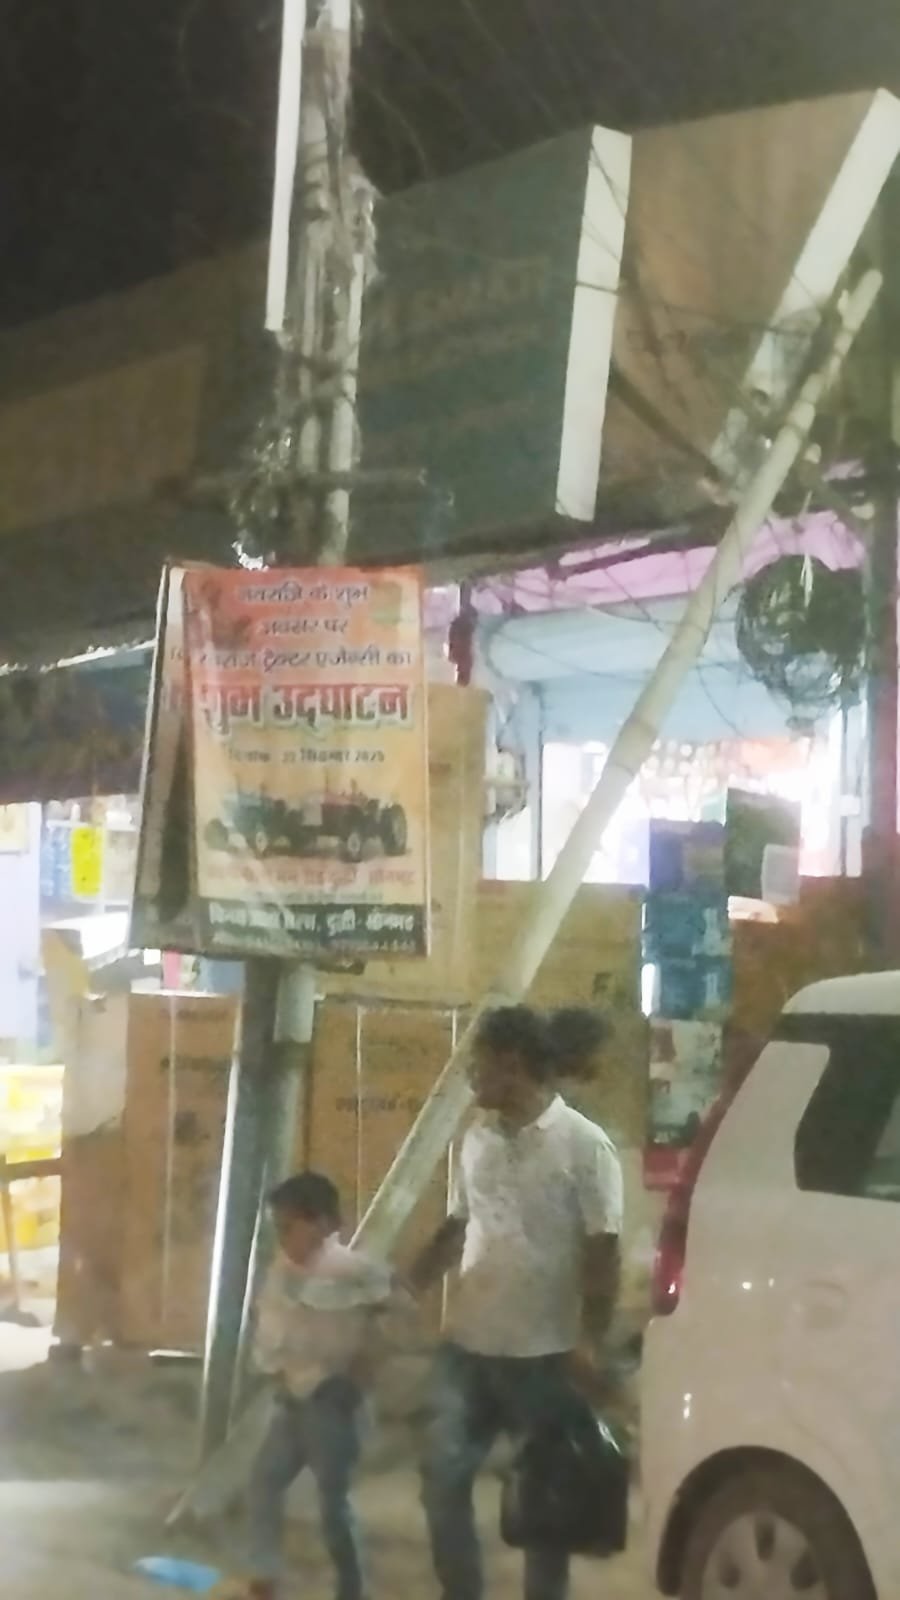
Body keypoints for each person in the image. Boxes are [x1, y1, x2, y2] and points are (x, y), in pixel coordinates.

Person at [410, 1005, 623, 1600]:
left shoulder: (584, 1145)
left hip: (545, 1354)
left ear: (511, 1063)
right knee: (441, 1478)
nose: (471, 1076)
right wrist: (408, 1286)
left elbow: (603, 1249)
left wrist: (590, 1339)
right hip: (470, 1345)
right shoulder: (476, 1140)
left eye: (478, 1063)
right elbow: (459, 1224)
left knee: (544, 1501)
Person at [243, 1171, 399, 1600]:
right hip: (293, 1398)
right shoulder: (282, 1271)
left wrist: (362, 1373)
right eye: (279, 1228)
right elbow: (272, 1329)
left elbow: (388, 1315)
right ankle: (264, 1579)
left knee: (332, 1504)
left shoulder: (350, 1270)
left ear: (325, 1224)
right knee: (264, 1482)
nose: (283, 1237)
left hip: (331, 1399)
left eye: (290, 1226)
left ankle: (351, 1589)